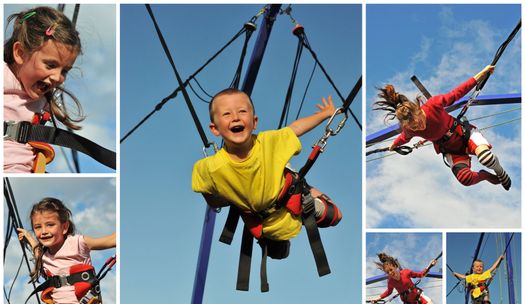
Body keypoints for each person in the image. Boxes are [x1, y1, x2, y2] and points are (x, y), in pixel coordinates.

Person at [192, 88, 342, 246]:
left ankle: (308, 189)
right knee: (278, 253)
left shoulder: (269, 141)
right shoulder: (209, 168)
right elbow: (211, 197)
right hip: (267, 223)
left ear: (254, 122)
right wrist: (231, 197)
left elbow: (296, 129)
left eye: (242, 111)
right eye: (226, 114)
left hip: (291, 198)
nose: (235, 117)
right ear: (215, 128)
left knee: (336, 215)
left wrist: (325, 114)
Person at [374, 65, 511, 190]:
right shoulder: (409, 129)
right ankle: (487, 176)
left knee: (485, 158)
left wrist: (482, 73)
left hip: (465, 135)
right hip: (451, 150)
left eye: (418, 122)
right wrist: (393, 145)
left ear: (418, 110)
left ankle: (499, 171)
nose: (418, 128)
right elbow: (404, 138)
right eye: (414, 128)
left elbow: (458, 92)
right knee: (465, 179)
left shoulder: (433, 105)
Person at [17, 197, 116, 304]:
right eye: (38, 227)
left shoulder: (78, 243)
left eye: (50, 225)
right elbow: (37, 251)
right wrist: (29, 238)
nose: (43, 232)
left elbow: (110, 240)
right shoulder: (44, 256)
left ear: (64, 227)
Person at [4, 6, 84, 173]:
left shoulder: (43, 99)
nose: (57, 77)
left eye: (65, 71)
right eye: (50, 65)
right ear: (20, 53)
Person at [371, 252, 437, 304]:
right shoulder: (390, 281)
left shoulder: (406, 272)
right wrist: (377, 299)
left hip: (417, 295)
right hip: (409, 302)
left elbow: (420, 274)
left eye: (391, 270)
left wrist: (430, 266)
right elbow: (388, 292)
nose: (390, 273)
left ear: (395, 267)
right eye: (387, 272)